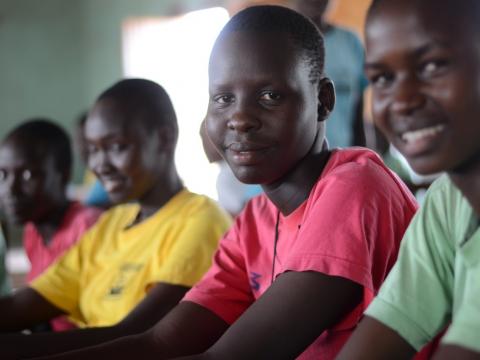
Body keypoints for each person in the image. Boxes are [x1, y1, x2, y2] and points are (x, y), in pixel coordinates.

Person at [40, 6, 419, 359]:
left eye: (269, 96)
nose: (239, 119)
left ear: (322, 101)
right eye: (222, 98)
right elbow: (160, 341)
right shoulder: (253, 222)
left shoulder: (355, 187)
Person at [0, 79, 231, 358]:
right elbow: (26, 304)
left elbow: (138, 335)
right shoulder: (111, 224)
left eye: (116, 147)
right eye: (94, 150)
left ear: (165, 138)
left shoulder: (200, 220)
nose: (100, 165)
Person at [337, 0, 480, 358]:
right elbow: (389, 329)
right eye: (383, 78)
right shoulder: (447, 200)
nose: (401, 100)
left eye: (433, 66)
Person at [0, 119, 102, 331]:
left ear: (63, 174)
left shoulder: (88, 227)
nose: (11, 189)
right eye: (3, 175)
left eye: (28, 175)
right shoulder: (33, 231)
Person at [292, 0, 367, 148]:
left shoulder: (350, 42)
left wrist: (362, 154)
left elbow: (358, 109)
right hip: (293, 160)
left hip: (342, 154)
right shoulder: (277, 43)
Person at [199, 119, 262, 217]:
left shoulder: (227, 174)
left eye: (206, 138)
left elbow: (239, 214)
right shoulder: (243, 164)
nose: (204, 146)